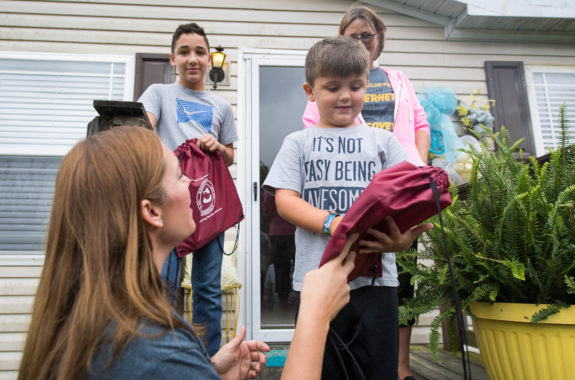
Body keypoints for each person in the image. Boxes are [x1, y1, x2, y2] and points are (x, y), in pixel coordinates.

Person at [17, 125, 358, 380]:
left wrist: (207, 371)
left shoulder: (94, 323)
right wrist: (314, 315)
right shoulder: (152, 346)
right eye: (180, 175)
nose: (193, 184)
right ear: (152, 211)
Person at [264, 37, 432, 380]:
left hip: (378, 282)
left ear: (366, 87)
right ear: (310, 91)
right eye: (332, 87)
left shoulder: (384, 142)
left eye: (355, 86)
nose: (345, 95)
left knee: (378, 369)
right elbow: (285, 200)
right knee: (325, 368)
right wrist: (334, 223)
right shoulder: (298, 142)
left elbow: (403, 202)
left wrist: (402, 240)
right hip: (317, 282)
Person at [138, 22, 237, 356]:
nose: (192, 58)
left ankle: (207, 360)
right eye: (184, 52)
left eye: (199, 52)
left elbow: (231, 155)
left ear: (210, 59)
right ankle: (162, 355)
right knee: (163, 283)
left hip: (208, 205)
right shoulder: (158, 93)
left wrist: (218, 148)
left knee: (207, 288)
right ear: (172, 58)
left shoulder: (221, 107)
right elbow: (142, 128)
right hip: (169, 201)